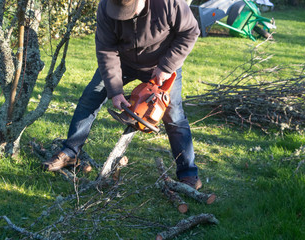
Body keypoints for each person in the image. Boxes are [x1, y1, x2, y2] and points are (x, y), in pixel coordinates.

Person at [42, 0, 202, 190]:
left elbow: (190, 32)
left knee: (174, 115)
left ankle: (188, 173)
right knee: (90, 98)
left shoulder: (168, 3)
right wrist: (115, 91)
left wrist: (166, 66)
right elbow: (106, 50)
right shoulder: (105, 6)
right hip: (122, 62)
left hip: (162, 64)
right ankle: (70, 152)